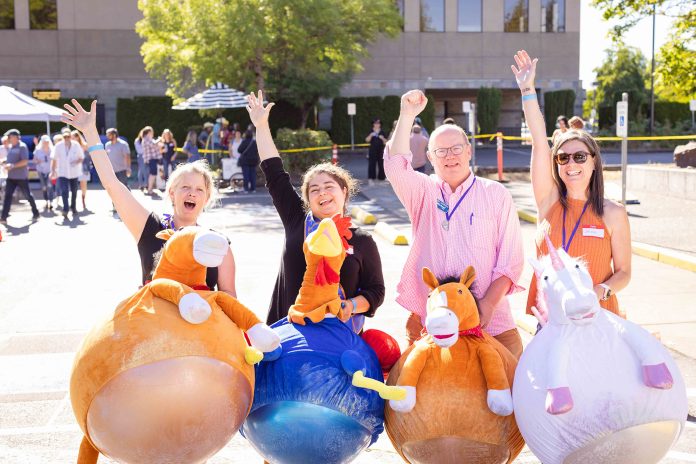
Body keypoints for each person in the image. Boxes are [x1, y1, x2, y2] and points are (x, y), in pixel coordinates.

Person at [383, 90, 525, 359]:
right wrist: (406, 115)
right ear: (430, 157)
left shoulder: (495, 194)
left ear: (469, 150)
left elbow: (511, 262)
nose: (450, 156)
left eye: (457, 148)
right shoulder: (423, 192)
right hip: (430, 321)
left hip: (491, 321)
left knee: (506, 394)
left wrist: (487, 306)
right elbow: (395, 167)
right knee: (423, 396)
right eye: (441, 151)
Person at [60, 99, 237, 294]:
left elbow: (229, 297)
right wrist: (91, 133)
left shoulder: (217, 242)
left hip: (203, 323)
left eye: (199, 190)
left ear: (206, 198)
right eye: (185, 187)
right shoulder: (151, 227)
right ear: (171, 193)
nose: (192, 193)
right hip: (152, 323)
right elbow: (112, 185)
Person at [247, 90, 385, 326]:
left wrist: (349, 306)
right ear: (308, 199)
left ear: (344, 192)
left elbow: (376, 291)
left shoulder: (362, 240)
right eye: (314, 189)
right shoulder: (297, 221)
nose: (322, 192)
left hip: (339, 341)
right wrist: (261, 126)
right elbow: (274, 173)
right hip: (289, 336)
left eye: (329, 186)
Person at [511, 50, 631, 318]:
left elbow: (624, 272)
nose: (571, 164)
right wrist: (527, 90)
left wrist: (599, 292)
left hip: (598, 318)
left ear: (593, 163)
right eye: (563, 158)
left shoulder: (613, 213)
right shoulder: (549, 200)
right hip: (552, 321)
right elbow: (540, 139)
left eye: (579, 157)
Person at [0, 129, 41, 224]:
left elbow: (25, 161)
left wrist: (12, 165)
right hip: (11, 177)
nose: (9, 138)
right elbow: (11, 159)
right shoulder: (11, 147)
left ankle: (36, 213)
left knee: (28, 196)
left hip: (21, 177)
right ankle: (3, 217)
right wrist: (5, 161)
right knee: (7, 196)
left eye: (10, 137)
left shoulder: (22, 146)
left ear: (15, 137)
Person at [50, 127, 84, 218]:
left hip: (74, 172)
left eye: (68, 136)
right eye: (64, 137)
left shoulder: (76, 145)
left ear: (70, 136)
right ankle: (65, 209)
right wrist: (52, 171)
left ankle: (73, 207)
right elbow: (54, 159)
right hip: (62, 172)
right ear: (62, 137)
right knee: (64, 191)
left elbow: (81, 157)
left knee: (74, 191)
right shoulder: (58, 146)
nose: (66, 138)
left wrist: (76, 162)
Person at [33, 135, 54, 211]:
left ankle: (51, 201)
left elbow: (55, 160)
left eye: (47, 142)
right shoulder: (38, 150)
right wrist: (38, 161)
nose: (46, 143)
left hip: (50, 171)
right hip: (41, 170)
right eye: (44, 142)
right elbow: (34, 160)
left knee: (50, 186)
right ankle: (46, 200)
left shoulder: (52, 150)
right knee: (44, 187)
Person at [139, 126, 162, 195]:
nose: (153, 133)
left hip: (152, 159)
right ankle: (149, 189)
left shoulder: (148, 139)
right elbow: (154, 144)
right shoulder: (146, 139)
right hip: (151, 159)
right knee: (153, 174)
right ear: (149, 132)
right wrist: (159, 139)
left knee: (152, 174)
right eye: (152, 132)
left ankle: (150, 188)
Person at [72, 130, 91, 211]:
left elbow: (90, 156)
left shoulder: (85, 145)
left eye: (73, 137)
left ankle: (83, 200)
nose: (72, 139)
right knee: (74, 186)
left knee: (83, 186)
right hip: (74, 169)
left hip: (84, 168)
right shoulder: (71, 146)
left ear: (77, 137)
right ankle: (74, 203)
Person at [365, 118, 387, 182]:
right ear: (373, 124)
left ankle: (381, 177)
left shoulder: (382, 131)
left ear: (380, 124)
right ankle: (371, 177)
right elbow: (367, 140)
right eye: (375, 123)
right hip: (372, 150)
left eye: (378, 123)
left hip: (381, 150)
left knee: (381, 164)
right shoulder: (371, 131)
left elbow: (386, 142)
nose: (377, 125)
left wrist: (382, 138)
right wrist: (370, 135)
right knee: (372, 163)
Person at [237, 129, 259, 193]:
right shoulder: (254, 142)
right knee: (253, 175)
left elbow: (239, 150)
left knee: (246, 175)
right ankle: (253, 189)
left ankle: (246, 189)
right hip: (253, 160)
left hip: (245, 160)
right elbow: (258, 150)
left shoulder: (244, 142)